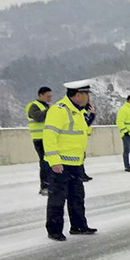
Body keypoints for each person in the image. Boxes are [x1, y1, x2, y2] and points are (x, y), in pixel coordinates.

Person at [43, 79, 98, 241]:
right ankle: (54, 230)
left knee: (77, 196)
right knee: (57, 199)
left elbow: (82, 133)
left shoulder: (78, 111)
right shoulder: (59, 110)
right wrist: (54, 161)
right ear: (78, 95)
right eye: (86, 94)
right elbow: (49, 135)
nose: (88, 98)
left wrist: (90, 117)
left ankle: (79, 226)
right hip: (60, 164)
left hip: (75, 163)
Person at [25, 86, 53, 195]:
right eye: (47, 96)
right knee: (45, 163)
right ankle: (44, 186)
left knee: (51, 162)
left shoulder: (47, 106)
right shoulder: (34, 106)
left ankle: (51, 184)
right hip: (39, 139)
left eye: (51, 96)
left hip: (48, 137)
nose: (50, 98)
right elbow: (37, 117)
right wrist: (50, 111)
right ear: (40, 95)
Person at [81, 101, 96, 182]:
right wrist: (92, 114)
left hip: (83, 137)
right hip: (79, 138)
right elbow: (87, 123)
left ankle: (82, 174)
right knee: (80, 157)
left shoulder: (83, 113)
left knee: (82, 157)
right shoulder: (82, 113)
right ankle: (81, 174)